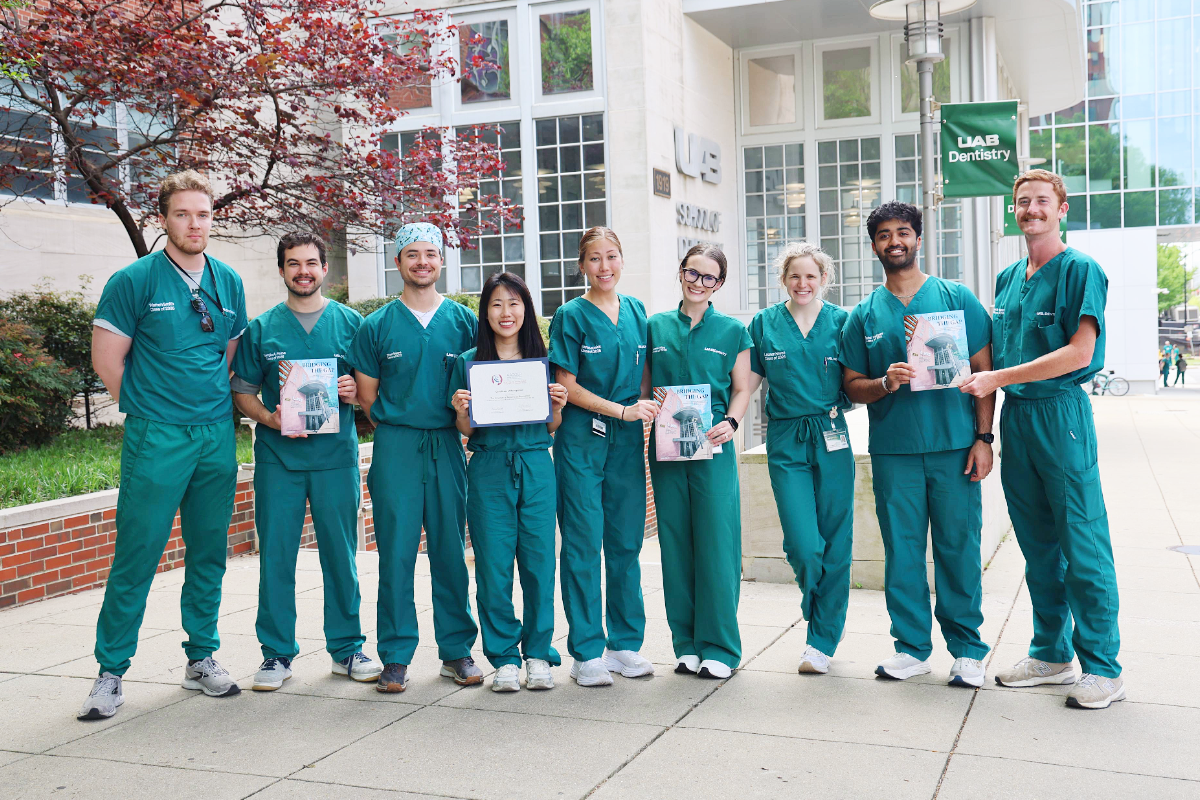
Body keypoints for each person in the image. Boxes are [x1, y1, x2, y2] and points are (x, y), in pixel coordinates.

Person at [81, 170, 248, 720]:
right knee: (138, 552)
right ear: (163, 218)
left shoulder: (228, 281)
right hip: (158, 436)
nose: (193, 223)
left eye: (202, 213)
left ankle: (202, 657)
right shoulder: (135, 280)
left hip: (215, 436)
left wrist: (203, 410)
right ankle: (111, 670)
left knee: (208, 551)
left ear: (212, 218)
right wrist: (157, 407)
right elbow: (108, 362)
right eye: (182, 214)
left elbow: (226, 356)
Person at [962, 169, 1122, 709]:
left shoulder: (1081, 270)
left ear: (1062, 209)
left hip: (1061, 416)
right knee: (1037, 545)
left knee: (1082, 541)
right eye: (1022, 202)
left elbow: (1080, 352)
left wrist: (998, 381)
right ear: (1014, 211)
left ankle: (1103, 667)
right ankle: (1052, 654)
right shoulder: (1010, 277)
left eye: (1041, 201)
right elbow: (989, 353)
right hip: (1018, 421)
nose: (1031, 209)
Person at [840, 201, 995, 688]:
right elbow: (850, 386)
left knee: (958, 548)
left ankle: (968, 650)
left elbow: (985, 374)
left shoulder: (956, 298)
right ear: (874, 247)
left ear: (918, 238)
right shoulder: (863, 315)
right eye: (884, 235)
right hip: (895, 451)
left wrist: (984, 438)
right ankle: (911, 647)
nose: (894, 241)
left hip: (954, 446)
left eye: (902, 232)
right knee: (902, 551)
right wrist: (884, 383)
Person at [231, 232, 381, 691]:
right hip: (280, 460)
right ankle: (276, 655)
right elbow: (242, 392)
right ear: (282, 270)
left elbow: (370, 390)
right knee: (277, 556)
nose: (303, 271)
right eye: (293, 264)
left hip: (335, 458)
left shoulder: (352, 324)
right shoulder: (263, 329)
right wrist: (268, 419)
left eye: (311, 263)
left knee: (342, 556)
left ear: (324, 269)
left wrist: (354, 396)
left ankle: (348, 648)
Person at [347, 223, 481, 693]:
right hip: (397, 446)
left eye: (431, 253)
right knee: (397, 555)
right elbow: (367, 397)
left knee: (449, 551)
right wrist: (403, 424)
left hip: (447, 445)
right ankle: (396, 655)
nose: (422, 261)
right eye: (412, 254)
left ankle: (457, 651)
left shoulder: (464, 322)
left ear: (441, 261)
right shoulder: (377, 325)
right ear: (398, 261)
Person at [549, 226, 658, 687]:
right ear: (582, 265)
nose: (605, 267)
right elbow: (567, 386)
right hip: (582, 442)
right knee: (581, 544)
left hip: (628, 443)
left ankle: (624, 645)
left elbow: (647, 375)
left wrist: (654, 411)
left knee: (626, 543)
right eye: (595, 259)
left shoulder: (636, 311)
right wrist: (622, 410)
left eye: (612, 256)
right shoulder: (570, 315)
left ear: (622, 259)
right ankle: (587, 651)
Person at [448, 272, 568, 692]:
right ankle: (504, 658)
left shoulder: (545, 362)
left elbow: (551, 426)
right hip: (489, 468)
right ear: (485, 312)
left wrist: (558, 406)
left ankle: (538, 654)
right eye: (497, 304)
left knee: (539, 563)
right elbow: (464, 429)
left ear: (527, 310)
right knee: (494, 566)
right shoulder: (468, 362)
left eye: (514, 303)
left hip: (536, 465)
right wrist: (462, 408)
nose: (506, 312)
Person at [647, 244, 753, 680]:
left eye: (708, 277)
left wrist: (731, 421)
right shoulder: (654, 327)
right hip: (668, 453)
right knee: (675, 546)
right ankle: (686, 643)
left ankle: (721, 647)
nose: (698, 282)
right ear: (680, 272)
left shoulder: (732, 331)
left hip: (712, 450)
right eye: (692, 273)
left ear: (719, 284)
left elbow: (743, 388)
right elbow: (645, 387)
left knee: (716, 546)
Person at [747, 242, 853, 676]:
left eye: (811, 276)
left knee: (836, 539)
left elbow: (861, 377)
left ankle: (820, 642)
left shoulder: (843, 323)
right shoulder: (765, 324)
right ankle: (816, 604)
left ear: (824, 279)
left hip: (831, 433)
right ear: (783, 280)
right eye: (795, 276)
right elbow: (744, 383)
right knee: (805, 544)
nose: (802, 283)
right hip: (787, 437)